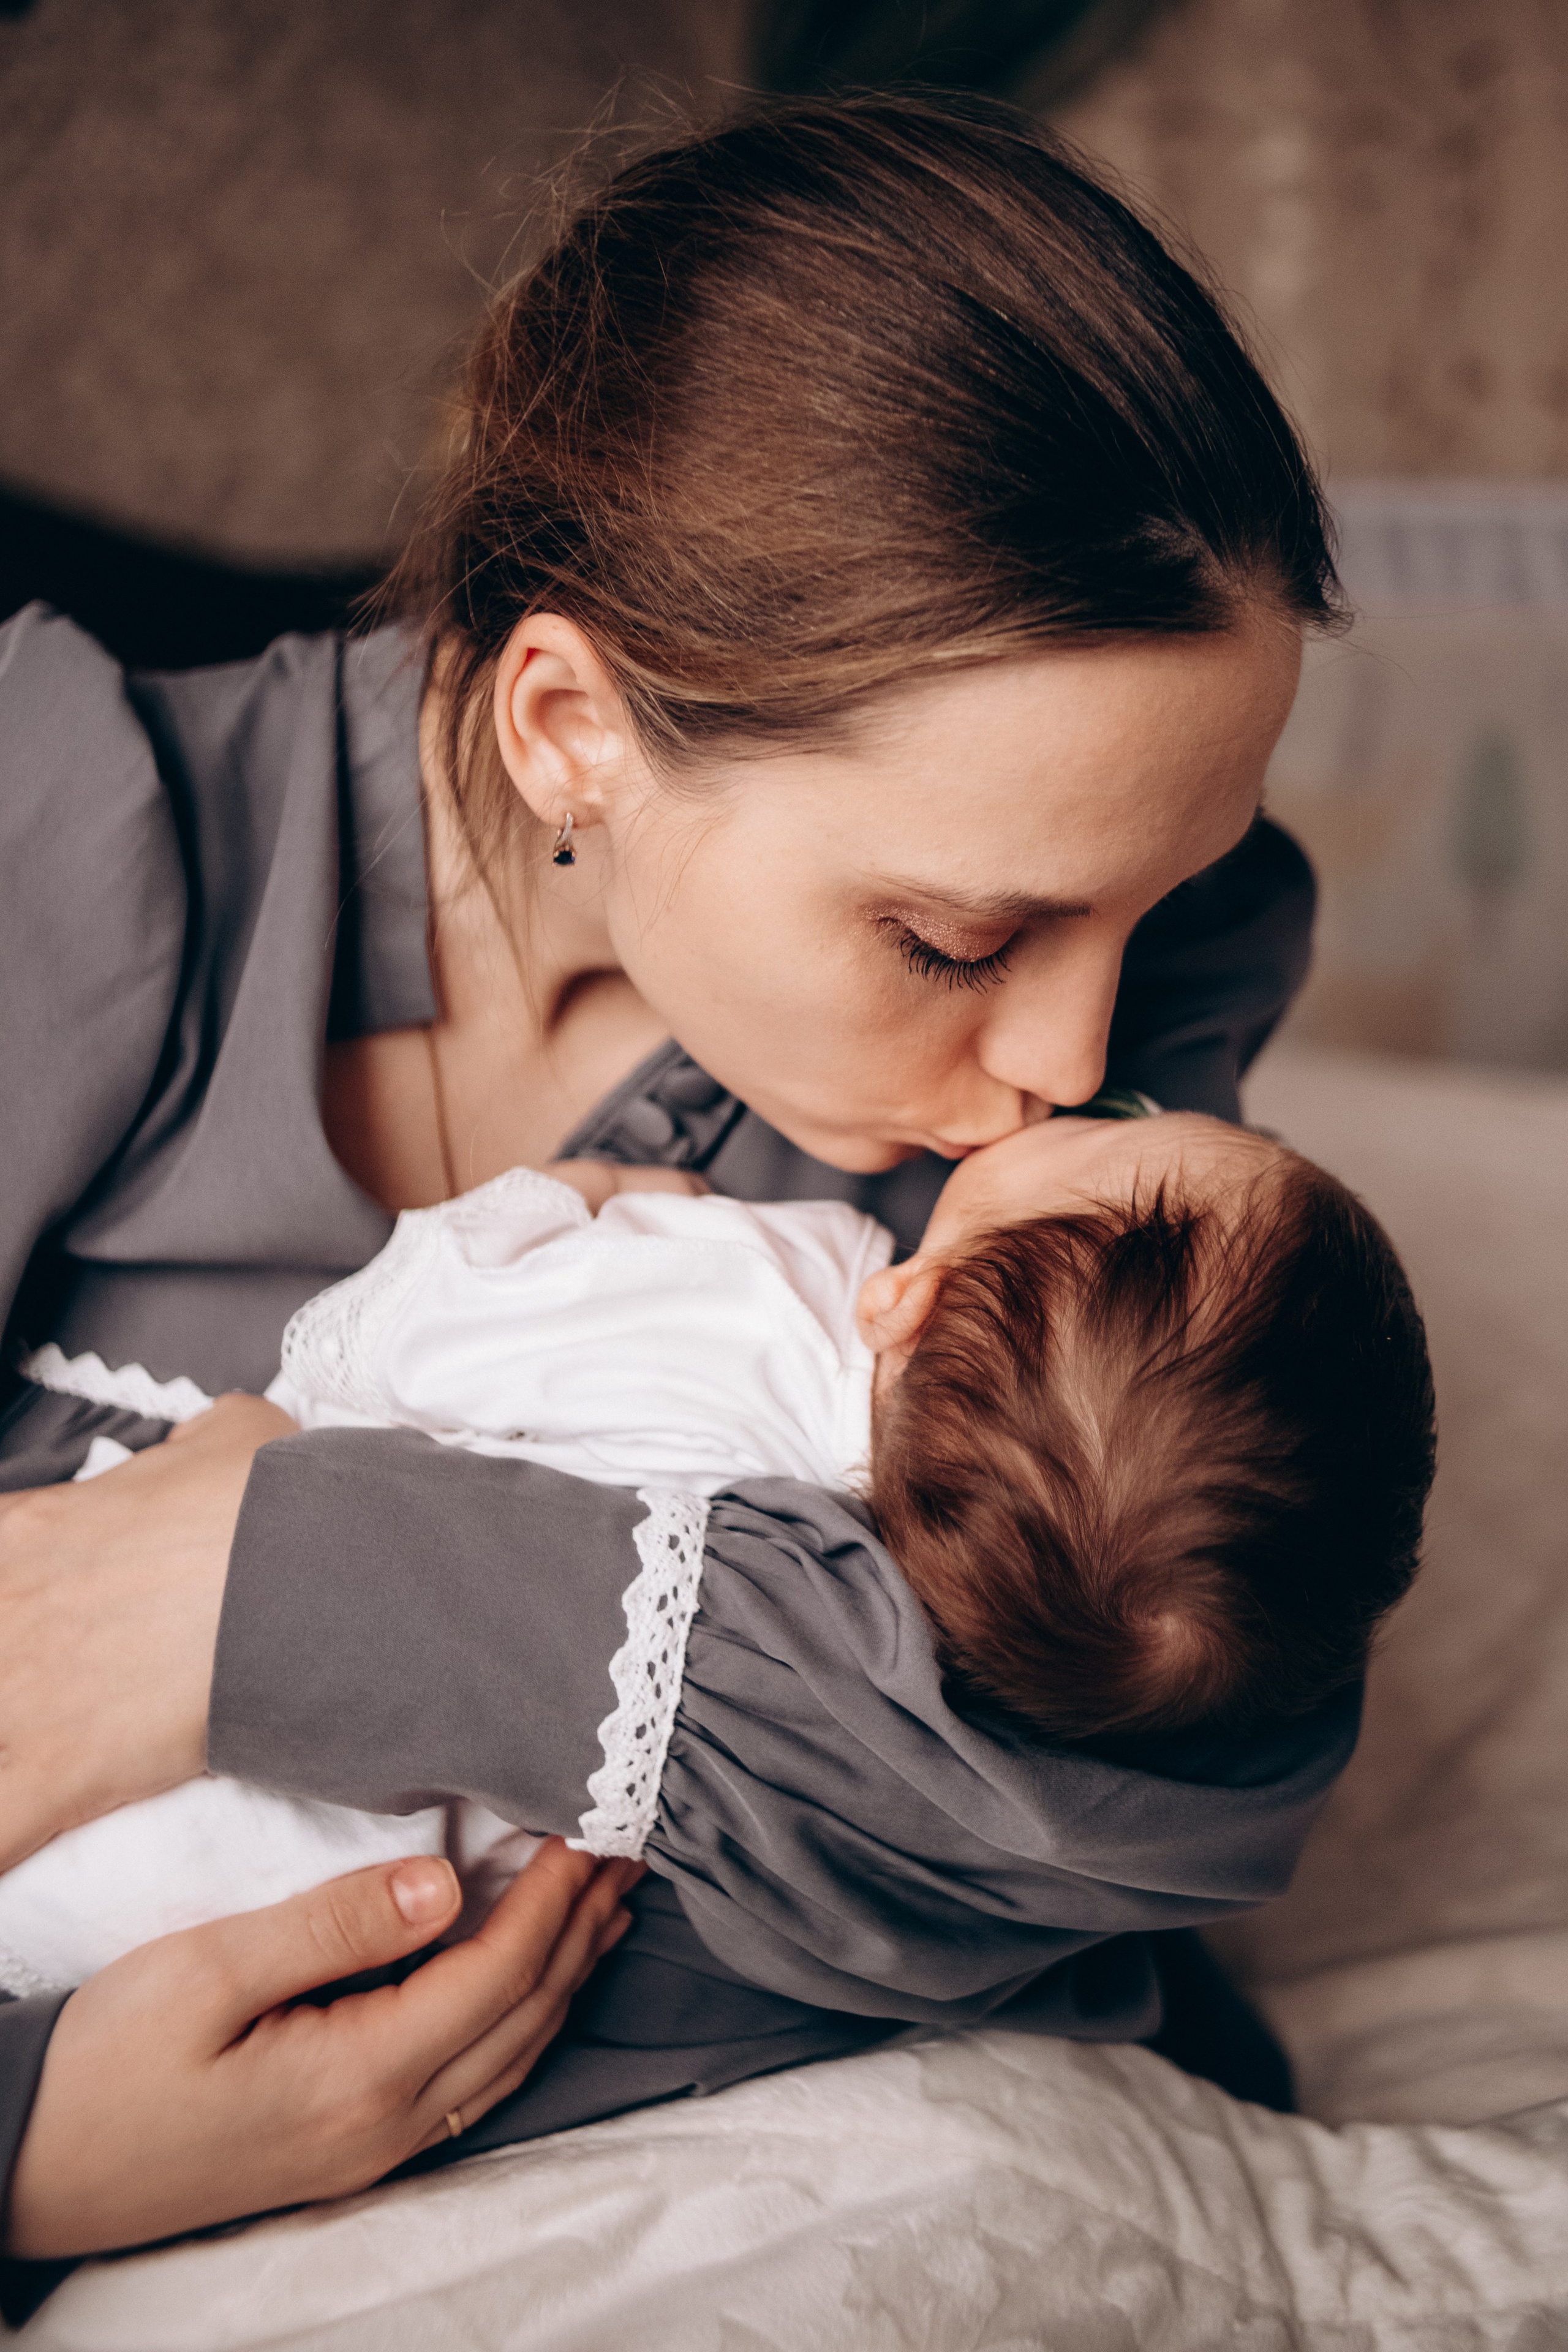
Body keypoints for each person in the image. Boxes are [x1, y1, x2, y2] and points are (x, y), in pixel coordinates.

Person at [0, 92, 1362, 2271]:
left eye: (1154, 902)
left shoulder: (1142, 973)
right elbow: (918, 1850)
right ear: (569, 734)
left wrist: (221, 1597)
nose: (1079, 1070)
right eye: (957, 937)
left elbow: (1166, 1774)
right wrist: (33, 2149)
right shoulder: (55, 850)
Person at [4, 1108, 1434, 2002]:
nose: (1062, 1078)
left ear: (909, 1297)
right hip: (340, 1902)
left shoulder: (774, 1281)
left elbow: (414, 1322)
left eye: (1113, 1118)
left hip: (186, 1675)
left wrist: (563, 1200)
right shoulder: (884, 1613)